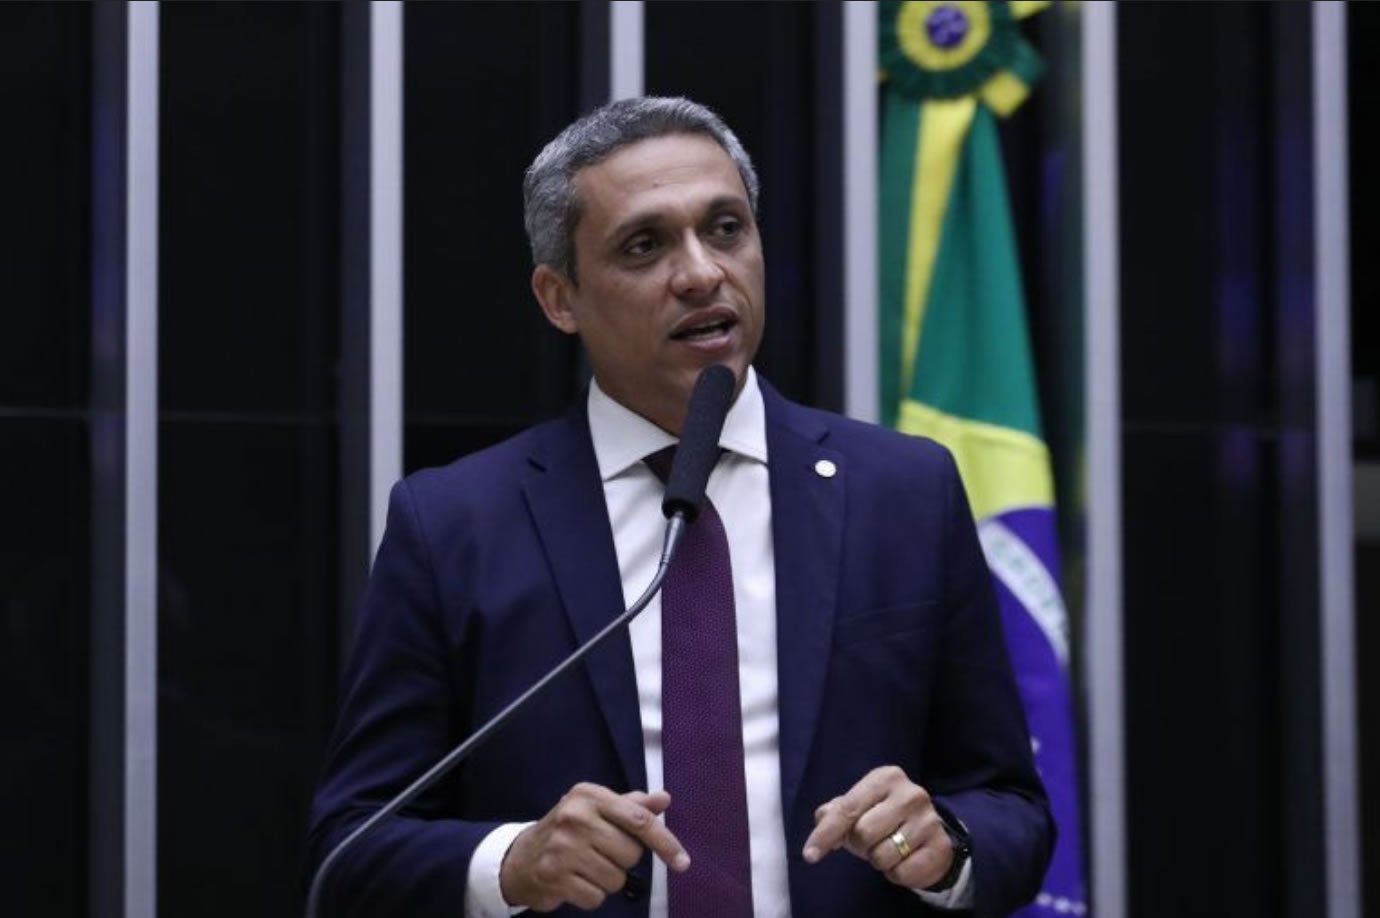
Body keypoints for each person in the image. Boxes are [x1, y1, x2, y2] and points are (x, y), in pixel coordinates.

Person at [308, 96, 1052, 917]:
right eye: (644, 245)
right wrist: (512, 863)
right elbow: (351, 848)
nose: (701, 273)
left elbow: (1010, 805)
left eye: (726, 229)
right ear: (559, 298)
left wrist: (945, 847)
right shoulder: (454, 525)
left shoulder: (903, 491)